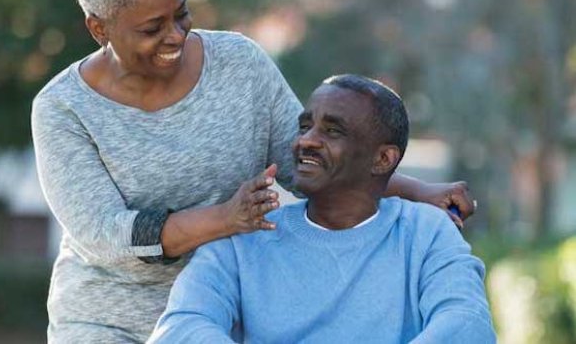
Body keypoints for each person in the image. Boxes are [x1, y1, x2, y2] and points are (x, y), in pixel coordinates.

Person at [31, 0, 477, 343]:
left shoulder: (238, 63)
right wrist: (226, 219)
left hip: (226, 305)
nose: (176, 36)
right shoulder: (64, 109)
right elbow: (106, 233)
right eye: (152, 28)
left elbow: (302, 157)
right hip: (110, 319)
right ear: (99, 28)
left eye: (181, 14)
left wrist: (418, 191)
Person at [149, 75, 495, 344]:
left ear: (383, 159)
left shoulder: (426, 232)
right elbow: (182, 325)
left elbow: (467, 324)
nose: (305, 141)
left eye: (332, 131)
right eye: (304, 126)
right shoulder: (247, 233)